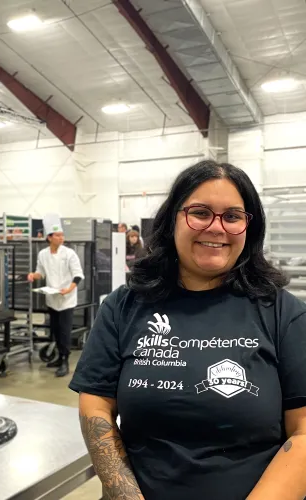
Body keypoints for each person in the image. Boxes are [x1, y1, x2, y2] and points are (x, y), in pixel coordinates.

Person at [69, 159, 306, 500]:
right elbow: (96, 405)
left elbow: (302, 434)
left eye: (233, 216)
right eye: (200, 212)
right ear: (173, 220)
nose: (216, 227)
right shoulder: (125, 306)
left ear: (248, 228)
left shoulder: (283, 313)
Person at [28, 214, 84, 377]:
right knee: (55, 330)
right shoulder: (43, 254)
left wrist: (69, 289)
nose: (61, 238)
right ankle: (59, 357)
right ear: (49, 238)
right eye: (58, 235)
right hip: (52, 298)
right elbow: (41, 273)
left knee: (65, 331)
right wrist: (33, 275)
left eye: (62, 235)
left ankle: (65, 361)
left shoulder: (69, 254)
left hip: (66, 299)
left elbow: (78, 275)